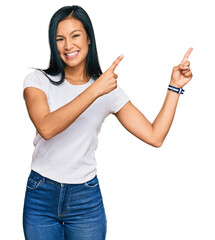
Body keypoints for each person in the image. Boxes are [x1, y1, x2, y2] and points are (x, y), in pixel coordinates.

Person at [22, 5, 193, 240]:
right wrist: (94, 90)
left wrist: (174, 87)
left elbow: (155, 136)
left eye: (75, 36)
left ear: (89, 38)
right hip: (41, 195)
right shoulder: (37, 81)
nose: (68, 45)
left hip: (85, 200)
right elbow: (47, 127)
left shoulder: (107, 90)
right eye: (59, 38)